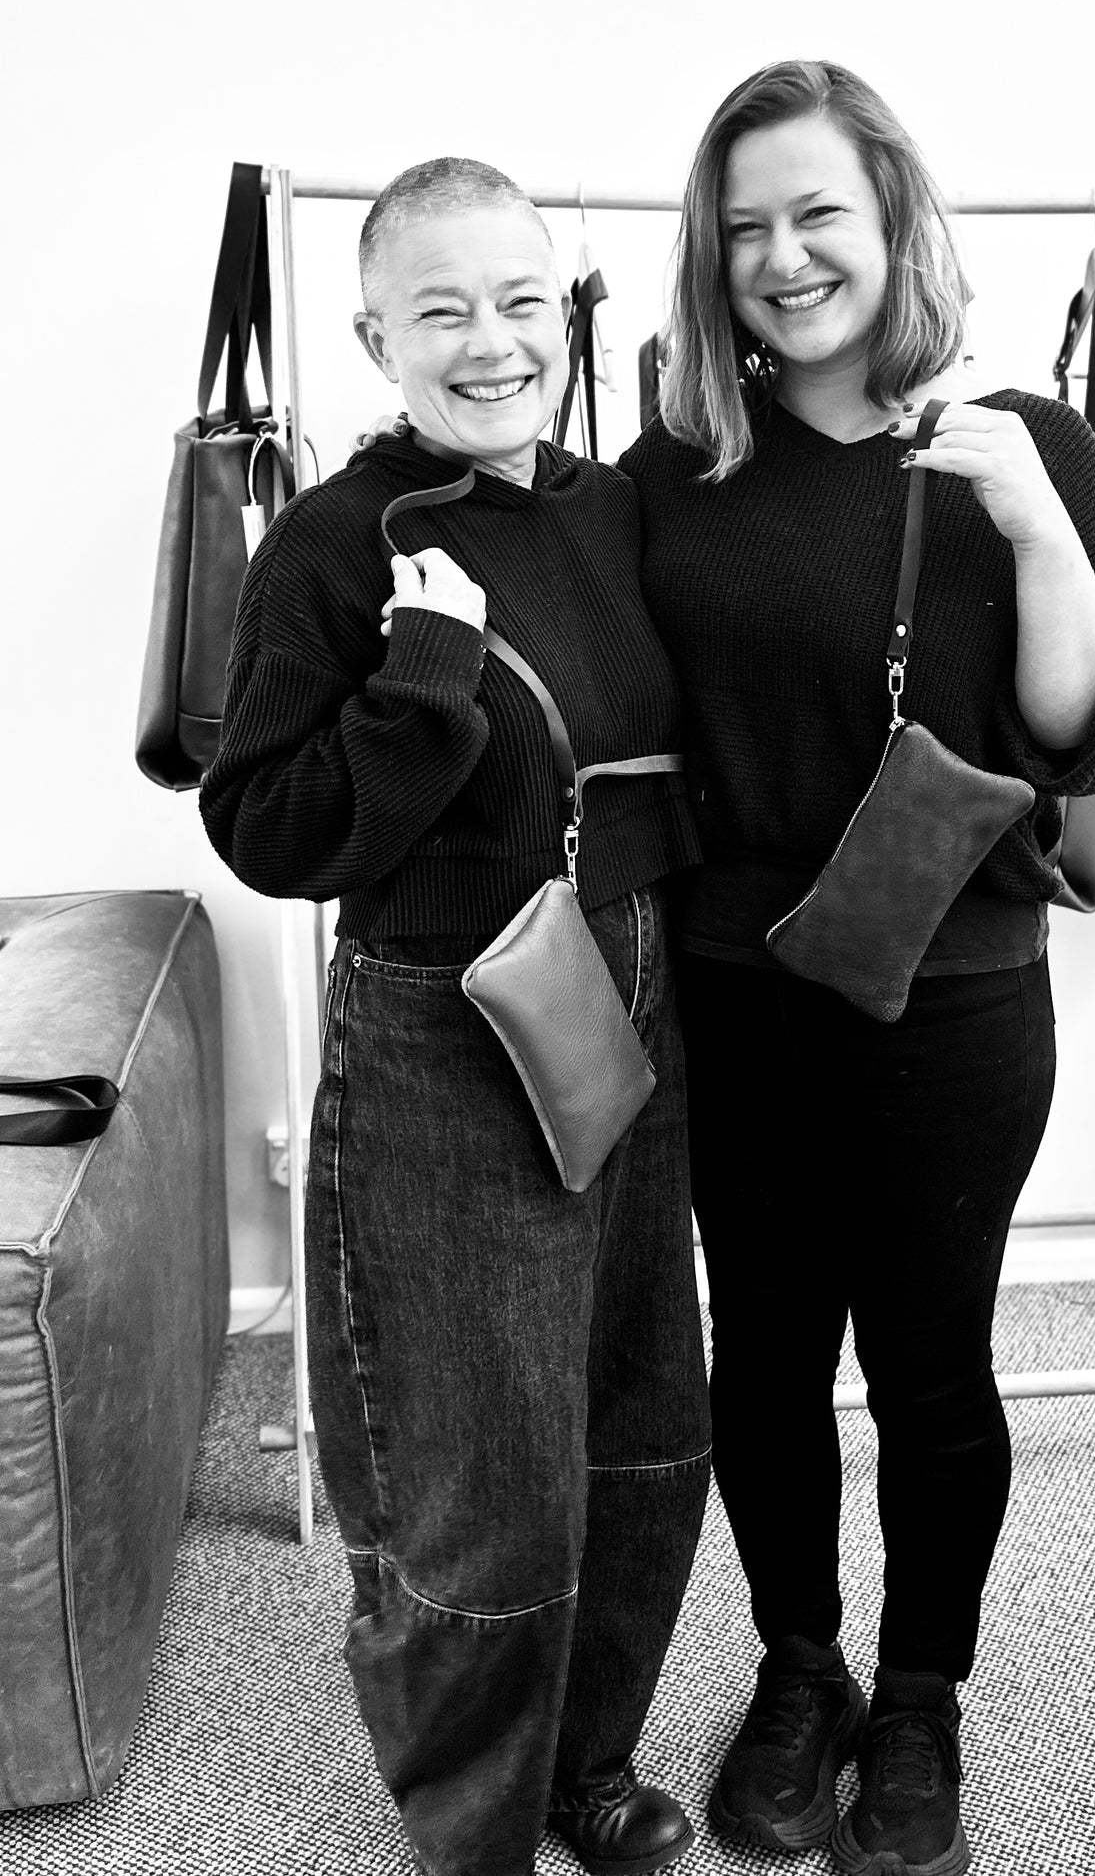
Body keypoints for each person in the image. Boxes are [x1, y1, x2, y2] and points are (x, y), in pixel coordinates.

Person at [617, 62, 1095, 1876]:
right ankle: (801, 1671)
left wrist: (1027, 519)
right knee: (763, 1363)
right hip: (732, 980)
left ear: (892, 222)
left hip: (953, 992)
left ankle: (919, 1695)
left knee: (928, 1363)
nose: (782, 258)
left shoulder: (1014, 436)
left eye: (816, 216)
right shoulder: (678, 466)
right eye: (746, 225)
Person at [200, 157, 710, 1876]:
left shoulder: (614, 501)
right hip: (444, 1013)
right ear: (373, 334)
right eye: (439, 311)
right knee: (473, 1460)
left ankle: (589, 1758)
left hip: (628, 978)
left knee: (643, 1414)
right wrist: (422, 682)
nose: (488, 344)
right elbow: (268, 833)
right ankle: (475, 1827)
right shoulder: (339, 544)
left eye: (518, 303)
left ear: (563, 314)